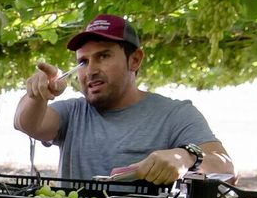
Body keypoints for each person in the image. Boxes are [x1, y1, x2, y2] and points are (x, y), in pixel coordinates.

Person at [14, 13, 234, 184]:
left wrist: (186, 157)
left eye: (103, 56)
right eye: (83, 62)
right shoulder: (73, 113)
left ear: (135, 60)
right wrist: (37, 95)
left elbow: (226, 168)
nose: (90, 70)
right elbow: (25, 124)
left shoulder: (175, 114)